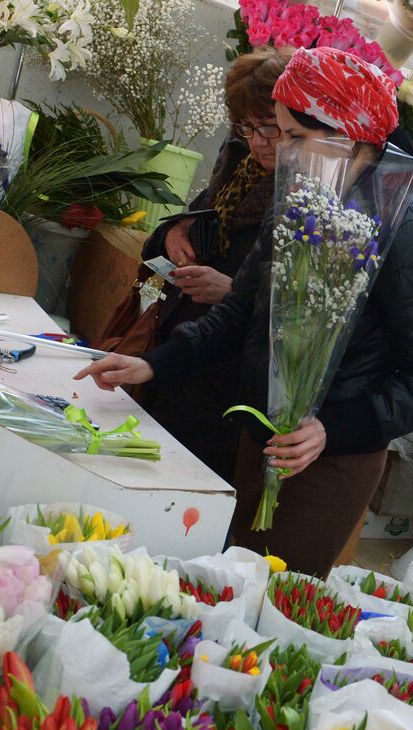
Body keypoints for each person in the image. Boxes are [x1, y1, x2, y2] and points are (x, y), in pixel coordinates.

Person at [76, 47, 413, 577]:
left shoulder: (409, 237)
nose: (285, 153)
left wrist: (330, 428)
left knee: (272, 596)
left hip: (326, 462)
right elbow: (241, 312)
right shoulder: (301, 195)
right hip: (259, 438)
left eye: (294, 138)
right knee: (224, 578)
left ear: (346, 134)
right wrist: (155, 363)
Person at [136, 46, 291, 481]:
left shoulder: (303, 202)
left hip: (225, 394)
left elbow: (301, 316)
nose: (257, 141)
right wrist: (171, 234)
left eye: (270, 128)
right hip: (175, 365)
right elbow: (151, 252)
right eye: (246, 127)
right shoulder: (235, 177)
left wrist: (230, 291)